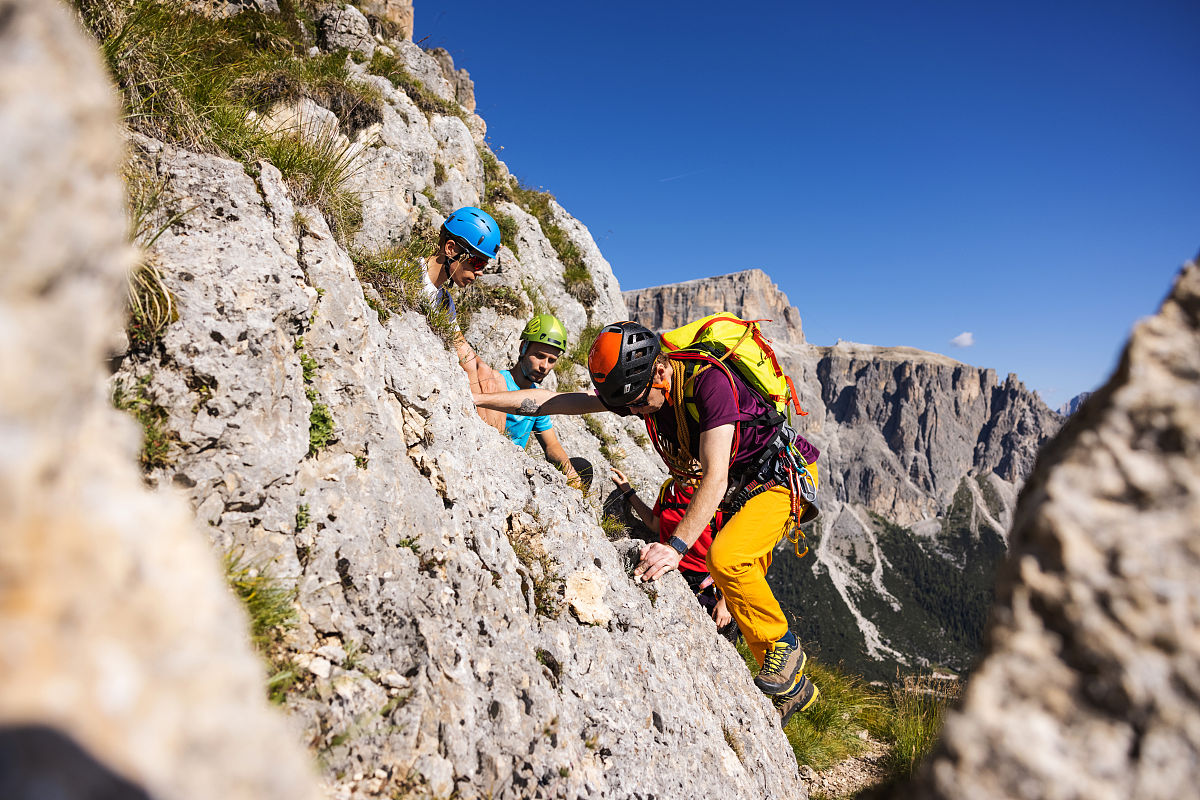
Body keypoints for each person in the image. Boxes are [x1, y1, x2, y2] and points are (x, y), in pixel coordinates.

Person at [473, 321, 821, 725]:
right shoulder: (637, 388)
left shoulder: (711, 385)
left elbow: (715, 477)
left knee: (725, 559)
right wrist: (480, 398)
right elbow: (551, 401)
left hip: (779, 479)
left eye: (638, 403)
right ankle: (795, 690)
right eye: (627, 405)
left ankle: (785, 643)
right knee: (731, 573)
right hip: (745, 488)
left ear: (659, 372)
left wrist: (675, 548)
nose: (634, 412)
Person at [611, 467, 737, 640]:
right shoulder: (668, 490)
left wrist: (726, 603)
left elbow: (735, 552)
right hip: (671, 570)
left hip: (707, 582)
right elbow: (654, 523)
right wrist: (629, 492)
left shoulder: (715, 497)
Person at [422, 207, 506, 431]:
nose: (480, 273)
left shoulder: (444, 301)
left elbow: (466, 353)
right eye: (477, 263)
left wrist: (486, 373)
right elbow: (466, 363)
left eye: (484, 266)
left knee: (493, 376)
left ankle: (495, 441)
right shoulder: (410, 278)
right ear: (451, 249)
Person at [501, 314, 589, 489]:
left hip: (517, 467)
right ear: (522, 348)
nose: (545, 366)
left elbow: (551, 445)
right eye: (539, 356)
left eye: (552, 360)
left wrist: (570, 473)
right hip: (500, 463)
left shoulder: (537, 398)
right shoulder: (498, 382)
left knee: (583, 468)